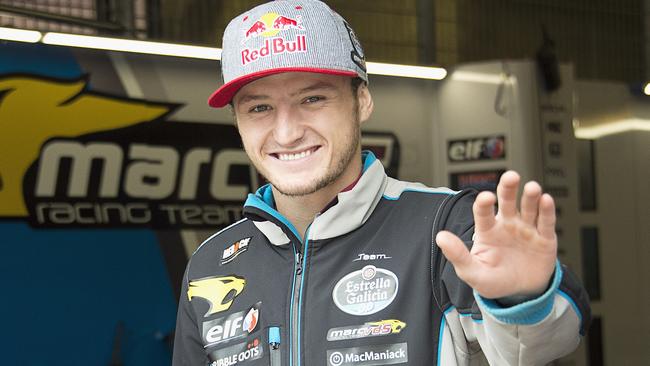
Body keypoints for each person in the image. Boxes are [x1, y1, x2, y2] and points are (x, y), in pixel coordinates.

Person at [172, 1, 590, 365]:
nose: (286, 132)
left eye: (312, 99)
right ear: (238, 123)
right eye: (259, 107)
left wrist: (522, 301)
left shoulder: (445, 228)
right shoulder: (210, 265)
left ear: (363, 101)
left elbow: (538, 347)